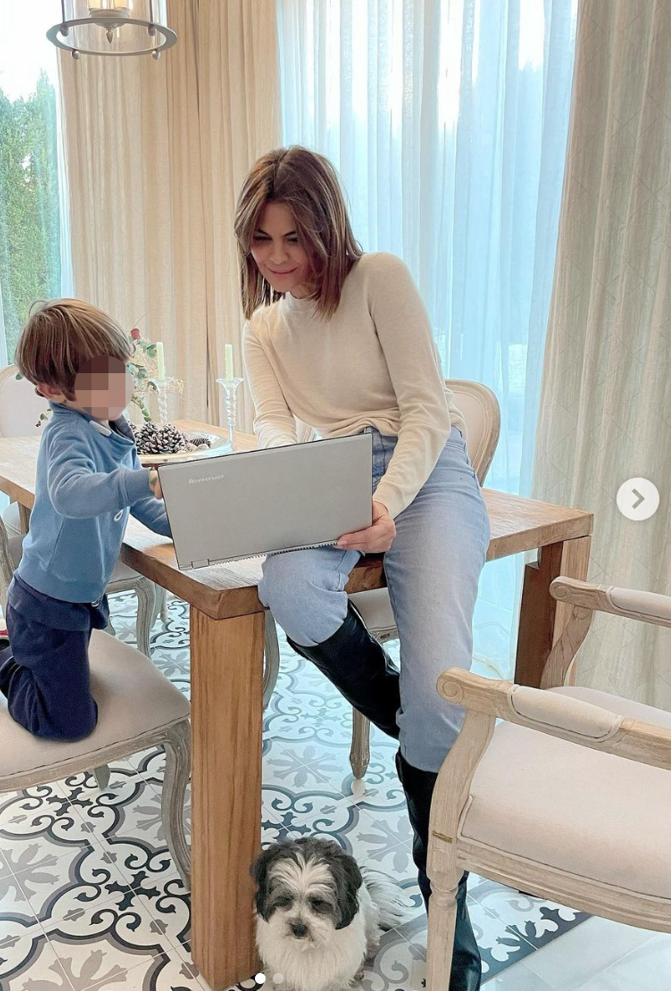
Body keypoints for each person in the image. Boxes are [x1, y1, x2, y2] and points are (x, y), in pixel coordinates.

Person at [234, 146, 490, 991]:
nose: (278, 259)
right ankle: (405, 713)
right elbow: (273, 425)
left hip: (430, 469)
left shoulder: (380, 276)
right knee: (288, 584)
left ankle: (455, 926)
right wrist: (295, 479)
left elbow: (426, 405)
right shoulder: (265, 326)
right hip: (336, 472)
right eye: (261, 241)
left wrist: (389, 501)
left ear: (327, 225)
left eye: (294, 237)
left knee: (443, 685)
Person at [0, 299, 168, 741]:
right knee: (69, 723)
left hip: (75, 603)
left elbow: (142, 509)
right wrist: (143, 480)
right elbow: (71, 494)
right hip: (45, 606)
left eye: (121, 371)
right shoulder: (66, 433)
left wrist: (192, 522)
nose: (120, 387)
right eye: (101, 381)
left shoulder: (115, 431)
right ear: (52, 390)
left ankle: (11, 650)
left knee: (69, 699)